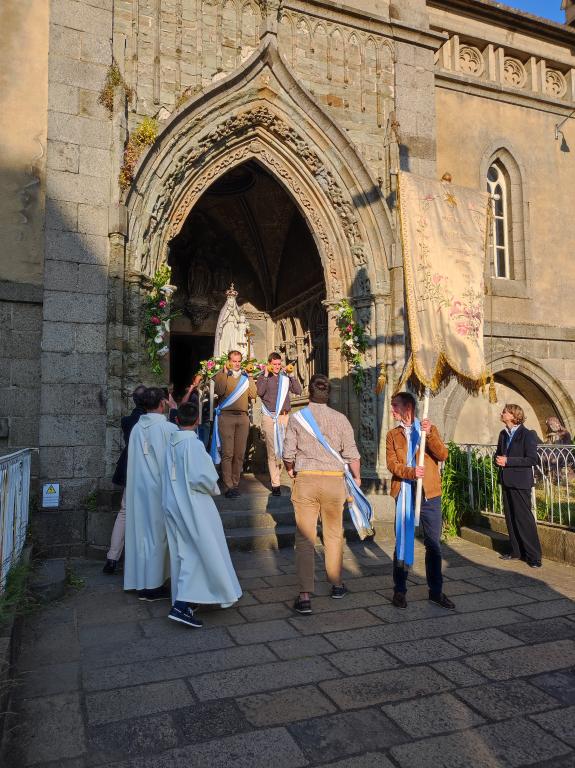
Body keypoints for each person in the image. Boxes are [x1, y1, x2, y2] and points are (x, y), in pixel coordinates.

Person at [282, 374, 361, 615]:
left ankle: (305, 595)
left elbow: (287, 454)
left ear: (309, 392)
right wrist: (356, 479)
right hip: (334, 482)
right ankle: (337, 584)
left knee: (305, 538)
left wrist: (291, 471)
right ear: (328, 394)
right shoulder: (341, 418)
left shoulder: (297, 419)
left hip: (306, 478)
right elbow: (352, 454)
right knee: (334, 534)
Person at [162, 401, 242, 628]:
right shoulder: (193, 445)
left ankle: (192, 597)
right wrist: (214, 486)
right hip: (194, 505)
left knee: (184, 550)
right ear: (197, 421)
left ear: (177, 420)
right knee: (200, 550)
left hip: (174, 502)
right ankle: (182, 604)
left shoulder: (173, 443)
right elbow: (203, 478)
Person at [386, 391, 454, 610]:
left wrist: (429, 434)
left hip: (429, 494)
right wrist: (410, 472)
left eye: (395, 406)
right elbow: (392, 464)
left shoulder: (428, 429)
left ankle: (436, 591)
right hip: (405, 491)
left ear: (408, 408)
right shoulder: (392, 435)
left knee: (433, 544)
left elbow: (443, 454)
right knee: (402, 542)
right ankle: (399, 590)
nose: (392, 410)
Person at [124, 386, 179, 600]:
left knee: (142, 534)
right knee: (158, 536)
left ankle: (142, 580)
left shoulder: (138, 427)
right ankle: (153, 586)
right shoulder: (166, 429)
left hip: (139, 488)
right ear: (162, 403)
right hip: (158, 489)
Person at [103, 385, 148, 574]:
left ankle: (112, 558)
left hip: (129, 467)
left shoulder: (127, 420)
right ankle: (143, 560)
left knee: (124, 513)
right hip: (146, 470)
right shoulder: (150, 421)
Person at [495, 404, 542, 568]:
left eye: (505, 412)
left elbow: (532, 459)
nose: (502, 414)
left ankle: (534, 556)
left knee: (524, 519)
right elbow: (499, 454)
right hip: (506, 480)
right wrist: (498, 459)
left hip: (521, 482)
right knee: (510, 517)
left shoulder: (527, 434)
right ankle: (516, 551)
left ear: (514, 415)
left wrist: (508, 461)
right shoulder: (503, 434)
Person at [212, 350, 257, 498]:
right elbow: (219, 390)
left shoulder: (245, 378)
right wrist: (224, 373)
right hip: (227, 417)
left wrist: (250, 376)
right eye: (234, 361)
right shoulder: (222, 375)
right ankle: (228, 485)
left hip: (242, 418)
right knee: (228, 453)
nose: (237, 364)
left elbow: (253, 394)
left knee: (239, 454)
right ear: (229, 361)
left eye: (239, 361)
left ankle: (236, 483)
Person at [257, 352, 302, 496]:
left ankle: (285, 476)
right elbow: (260, 392)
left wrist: (291, 375)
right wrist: (264, 375)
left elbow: (298, 390)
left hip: (284, 417)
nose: (277, 367)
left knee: (286, 450)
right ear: (269, 364)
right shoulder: (263, 377)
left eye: (278, 364)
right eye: (274, 364)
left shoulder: (285, 378)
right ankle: (275, 484)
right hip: (270, 417)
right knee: (272, 451)